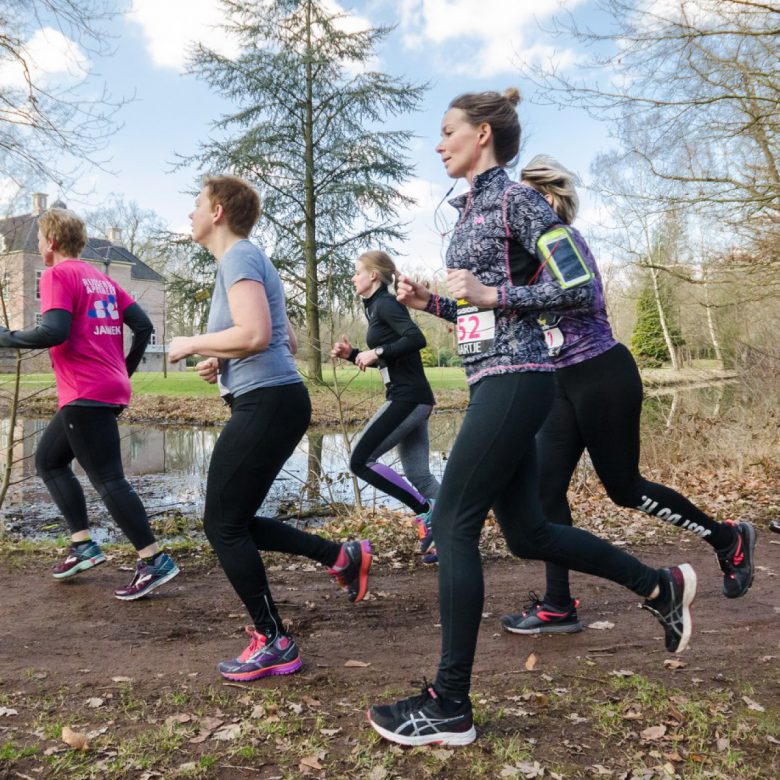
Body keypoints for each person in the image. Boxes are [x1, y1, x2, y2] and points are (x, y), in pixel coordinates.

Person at [367, 89, 697, 748]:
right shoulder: (467, 214)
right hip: (500, 376)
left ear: (482, 134)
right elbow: (481, 316)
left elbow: (579, 286)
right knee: (528, 534)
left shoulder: (517, 200)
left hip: (520, 381)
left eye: (446, 131)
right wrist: (431, 299)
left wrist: (495, 291)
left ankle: (449, 704)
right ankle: (659, 587)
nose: (438, 144)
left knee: (453, 520)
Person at [500, 155, 755, 635]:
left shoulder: (562, 239)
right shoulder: (525, 258)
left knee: (624, 489)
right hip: (558, 381)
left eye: (528, 201)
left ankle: (728, 539)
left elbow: (583, 294)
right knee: (545, 491)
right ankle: (558, 605)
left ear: (549, 199)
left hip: (600, 372)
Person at [169, 175, 371, 682]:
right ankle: (340, 556)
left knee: (223, 524)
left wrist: (194, 343)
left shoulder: (237, 256)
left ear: (217, 211)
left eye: (196, 205)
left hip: (268, 403)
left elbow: (257, 334)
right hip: (270, 399)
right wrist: (222, 357)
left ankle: (274, 640)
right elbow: (287, 340)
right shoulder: (245, 260)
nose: (190, 214)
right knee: (232, 520)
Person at [0, 207, 179, 599]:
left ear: (51, 241)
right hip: (101, 388)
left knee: (109, 480)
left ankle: (154, 558)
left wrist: (7, 336)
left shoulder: (56, 274)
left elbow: (53, 330)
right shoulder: (101, 279)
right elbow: (144, 327)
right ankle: (83, 544)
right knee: (49, 460)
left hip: (86, 391)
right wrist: (122, 370)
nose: (41, 244)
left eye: (42, 237)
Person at [331, 250, 440, 563]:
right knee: (420, 476)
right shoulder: (375, 308)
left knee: (360, 460)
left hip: (408, 398)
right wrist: (354, 354)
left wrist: (375, 350)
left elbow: (416, 338)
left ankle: (426, 511)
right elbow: (391, 355)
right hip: (411, 397)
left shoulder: (386, 303)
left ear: (373, 276)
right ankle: (457, 533)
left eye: (357, 272)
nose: (353, 278)